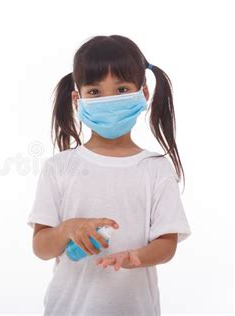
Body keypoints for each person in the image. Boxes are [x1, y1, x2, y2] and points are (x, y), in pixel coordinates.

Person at [26, 35, 192, 316]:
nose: (108, 100)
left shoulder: (155, 169)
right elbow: (41, 247)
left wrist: (136, 256)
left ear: (144, 94)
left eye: (121, 89)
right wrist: (69, 228)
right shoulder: (59, 167)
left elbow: (167, 243)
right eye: (94, 92)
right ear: (77, 99)